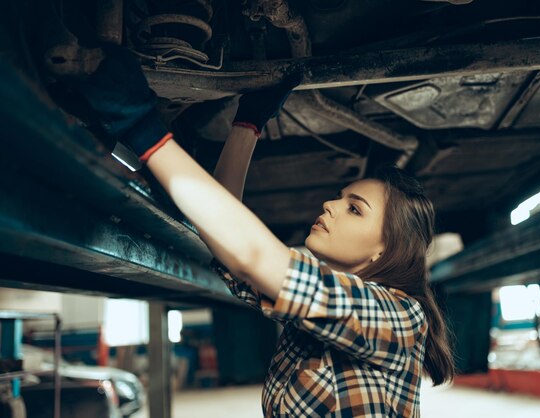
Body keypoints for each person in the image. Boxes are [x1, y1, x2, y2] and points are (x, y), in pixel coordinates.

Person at [75, 45, 455, 417]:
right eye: (340, 197)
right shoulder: (316, 315)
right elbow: (227, 239)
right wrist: (248, 125)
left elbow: (255, 256)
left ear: (383, 252)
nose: (330, 205)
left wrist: (144, 130)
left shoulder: (401, 317)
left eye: (354, 209)